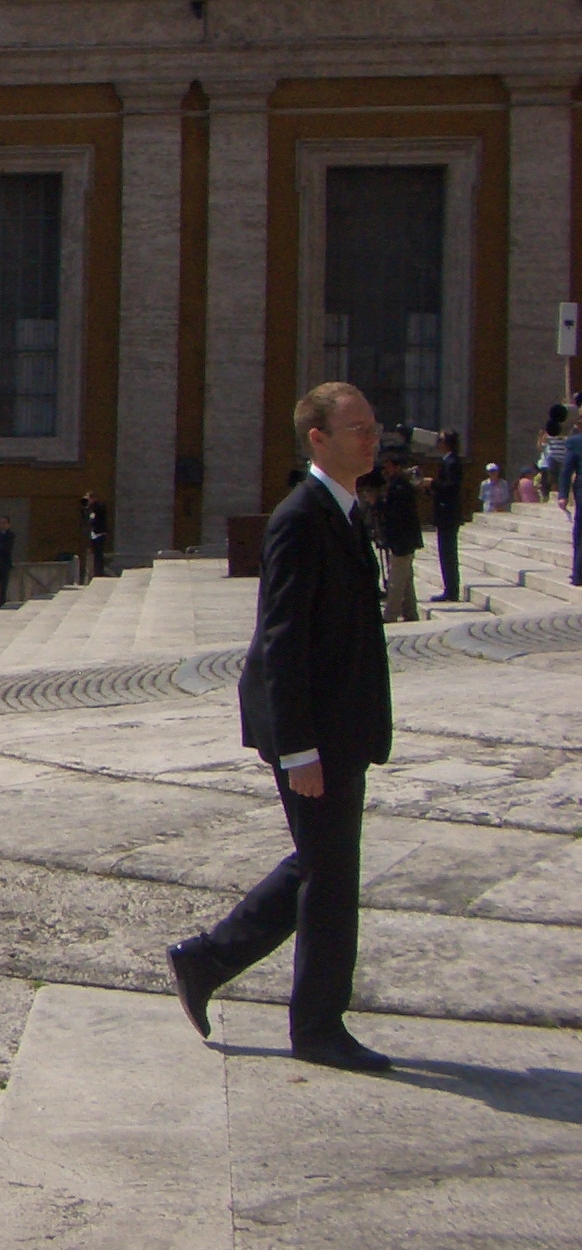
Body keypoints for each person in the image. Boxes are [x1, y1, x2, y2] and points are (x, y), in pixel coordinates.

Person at [168, 381, 396, 1072]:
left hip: (339, 726)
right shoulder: (301, 519)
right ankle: (317, 1027)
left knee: (319, 863)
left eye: (374, 426)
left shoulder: (346, 511)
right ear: (318, 439)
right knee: (330, 880)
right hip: (313, 733)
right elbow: (283, 639)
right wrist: (299, 749)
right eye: (358, 428)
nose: (373, 437)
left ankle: (206, 960)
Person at [373, 452, 423, 624]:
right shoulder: (398, 485)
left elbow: (394, 513)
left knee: (396, 580)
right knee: (406, 578)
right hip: (403, 539)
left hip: (402, 539)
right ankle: (410, 611)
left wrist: (378, 503)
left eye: (388, 466)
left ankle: (390, 614)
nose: (385, 470)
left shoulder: (399, 487)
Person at [429, 430, 464, 603]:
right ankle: (449, 587)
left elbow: (451, 487)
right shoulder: (447, 461)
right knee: (445, 552)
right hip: (444, 512)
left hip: (448, 513)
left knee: (448, 553)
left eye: (440, 440)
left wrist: (433, 483)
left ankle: (451, 589)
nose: (438, 443)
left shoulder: (452, 462)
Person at [82, 493, 111, 579]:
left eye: (89, 499)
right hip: (94, 534)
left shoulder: (99, 506)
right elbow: (88, 519)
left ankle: (99, 571)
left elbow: (98, 514)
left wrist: (90, 507)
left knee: (99, 553)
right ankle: (96, 571)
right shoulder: (90, 509)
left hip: (100, 533)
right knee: (94, 553)